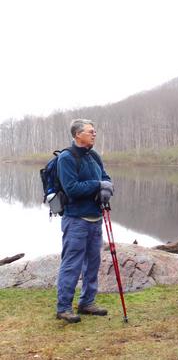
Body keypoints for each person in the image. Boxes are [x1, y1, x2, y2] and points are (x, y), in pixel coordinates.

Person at [56, 118, 114, 323]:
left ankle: (87, 303)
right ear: (77, 134)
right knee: (72, 264)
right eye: (90, 131)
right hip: (76, 220)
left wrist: (107, 187)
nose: (94, 134)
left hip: (96, 218)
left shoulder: (94, 156)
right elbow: (71, 188)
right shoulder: (67, 158)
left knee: (93, 263)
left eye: (94, 131)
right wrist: (98, 184)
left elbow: (106, 178)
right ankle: (63, 308)